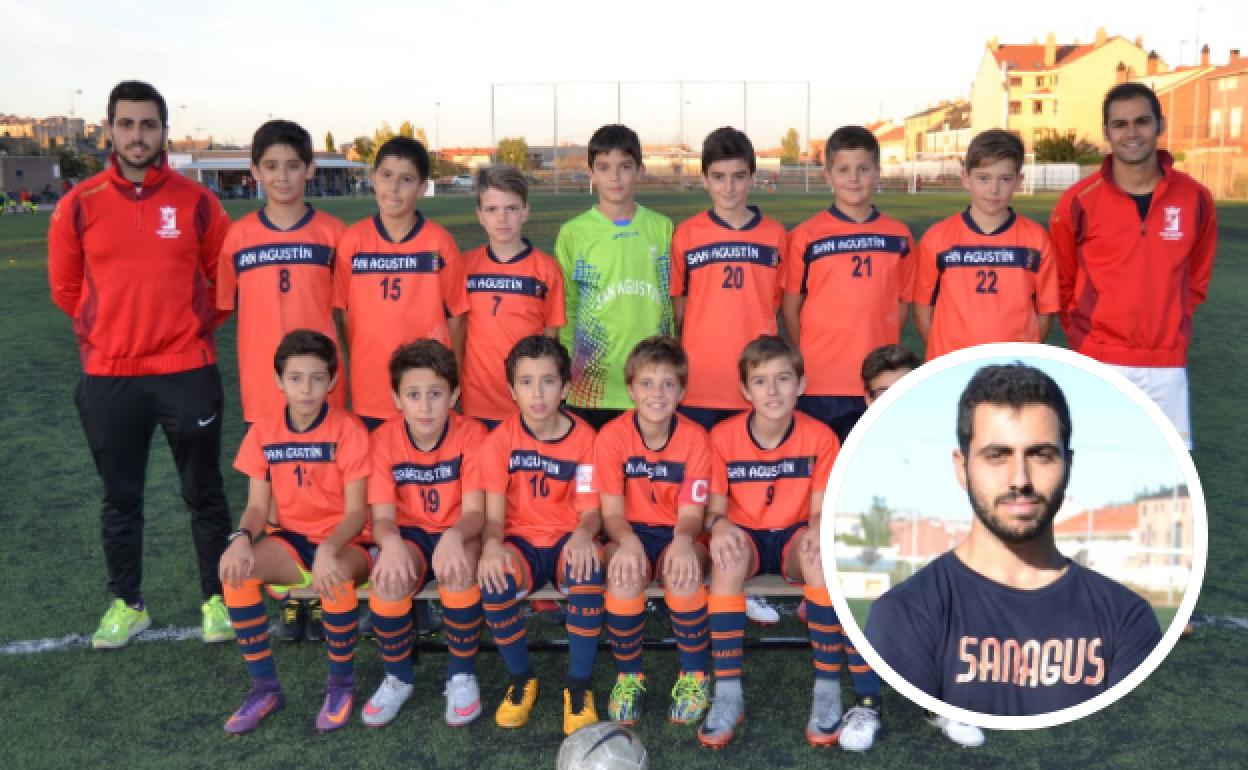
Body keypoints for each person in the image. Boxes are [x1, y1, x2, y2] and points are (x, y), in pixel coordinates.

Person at [47, 80, 235, 649]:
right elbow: (65, 288)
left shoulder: (197, 201)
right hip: (109, 377)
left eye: (147, 125)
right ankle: (128, 604)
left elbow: (221, 282)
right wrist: (105, 335)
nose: (137, 135)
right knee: (120, 498)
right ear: (109, 131)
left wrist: (191, 330)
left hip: (186, 370)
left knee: (205, 493)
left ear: (163, 132)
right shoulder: (78, 205)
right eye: (126, 125)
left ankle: (219, 599)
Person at [865, 363, 1163, 716]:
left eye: (1040, 455)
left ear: (1068, 465)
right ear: (962, 469)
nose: (1019, 479)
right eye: (997, 456)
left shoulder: (1126, 619)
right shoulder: (904, 614)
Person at [698, 335, 882, 752]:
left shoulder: (820, 438)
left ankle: (827, 688)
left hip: (793, 536)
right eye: (760, 381)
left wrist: (818, 531)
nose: (773, 391)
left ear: (801, 385)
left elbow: (819, 513)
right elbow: (716, 509)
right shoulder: (723, 437)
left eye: (784, 379)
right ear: (745, 390)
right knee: (725, 561)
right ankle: (728, 695)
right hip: (745, 537)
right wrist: (719, 524)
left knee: (820, 558)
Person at [218, 330, 372, 733]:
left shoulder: (349, 430)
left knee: (335, 574)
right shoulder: (264, 431)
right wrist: (240, 540)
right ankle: (264, 689)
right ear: (278, 381)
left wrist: (329, 549)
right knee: (236, 571)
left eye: (317, 378)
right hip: (293, 541)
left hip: (348, 541)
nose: (307, 389)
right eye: (296, 378)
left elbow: (357, 513)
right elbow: (255, 507)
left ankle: (340, 686)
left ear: (333, 382)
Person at [1050, 82, 1217, 450]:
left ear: (1160, 125)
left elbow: (1196, 279)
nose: (1131, 133)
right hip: (1100, 358)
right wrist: (1085, 340)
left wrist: (1173, 326)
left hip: (1167, 361)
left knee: (1169, 475)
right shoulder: (1077, 202)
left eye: (1141, 122)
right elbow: (1061, 281)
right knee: (1096, 464)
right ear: (1106, 132)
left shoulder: (1195, 198)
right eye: (1120, 124)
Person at [476, 335, 604, 735]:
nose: (538, 392)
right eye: (527, 382)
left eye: (548, 381)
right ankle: (521, 680)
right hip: (521, 542)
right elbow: (493, 520)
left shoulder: (587, 440)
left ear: (565, 388)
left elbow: (590, 512)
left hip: (569, 539)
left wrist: (585, 534)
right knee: (495, 577)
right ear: (512, 390)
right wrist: (492, 547)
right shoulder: (498, 442)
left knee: (587, 569)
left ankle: (579, 687)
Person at [362, 340, 490, 727]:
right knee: (387, 576)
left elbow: (475, 512)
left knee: (458, 569)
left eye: (435, 394)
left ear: (454, 395)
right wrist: (391, 544)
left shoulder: (472, 435)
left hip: (459, 531)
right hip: (410, 534)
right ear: (397, 399)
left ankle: (461, 674)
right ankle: (398, 677)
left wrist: (454, 536)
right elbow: (382, 517)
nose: (425, 405)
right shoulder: (383, 439)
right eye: (413, 395)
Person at [596, 337, 713, 726]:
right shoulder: (611, 437)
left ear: (681, 390)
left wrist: (682, 542)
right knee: (623, 572)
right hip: (630, 531)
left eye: (667, 384)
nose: (656, 394)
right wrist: (627, 543)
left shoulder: (695, 437)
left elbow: (693, 513)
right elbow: (611, 514)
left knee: (684, 571)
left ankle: (694, 675)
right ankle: (629, 675)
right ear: (631, 389)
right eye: (646, 383)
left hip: (679, 529)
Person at [783, 125, 915, 443]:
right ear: (828, 175)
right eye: (844, 170)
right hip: (820, 383)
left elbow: (902, 305)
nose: (854, 178)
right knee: (823, 478)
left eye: (863, 169)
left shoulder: (899, 236)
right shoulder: (806, 236)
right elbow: (791, 308)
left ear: (877, 173)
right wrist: (813, 355)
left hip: (879, 382)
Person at [333, 136, 467, 430]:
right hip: (371, 389)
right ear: (373, 179)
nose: (393, 188)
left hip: (428, 390)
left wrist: (453, 375)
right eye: (386, 176)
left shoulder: (439, 242)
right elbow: (345, 316)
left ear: (421, 188)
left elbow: (456, 317)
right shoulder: (352, 242)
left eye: (406, 179)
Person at [556, 124, 673, 430]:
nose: (615, 177)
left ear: (640, 171)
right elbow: (564, 306)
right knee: (593, 475)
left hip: (653, 381)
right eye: (604, 167)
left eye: (625, 166)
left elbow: (676, 303)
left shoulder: (662, 229)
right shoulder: (574, 233)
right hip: (592, 385)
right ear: (591, 174)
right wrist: (567, 363)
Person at [670, 127, 787, 432]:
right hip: (700, 382)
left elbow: (775, 303)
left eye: (738, 176)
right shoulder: (687, 235)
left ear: (751, 177)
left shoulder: (775, 236)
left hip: (758, 381)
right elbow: (680, 308)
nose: (729, 187)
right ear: (704, 179)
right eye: (719, 177)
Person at [913, 129, 1059, 361]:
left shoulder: (1036, 239)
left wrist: (1020, 357)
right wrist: (944, 358)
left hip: (1012, 370)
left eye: (1005, 179)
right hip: (953, 367)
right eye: (984, 178)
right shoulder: (938, 239)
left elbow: (1045, 312)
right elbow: (923, 311)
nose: (994, 189)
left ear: (1019, 182)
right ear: (965, 178)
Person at [461, 165, 565, 429]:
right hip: (477, 402)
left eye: (512, 208)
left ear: (526, 212)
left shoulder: (546, 270)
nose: (502, 218)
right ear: (479, 215)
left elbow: (550, 342)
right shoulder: (465, 267)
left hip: (529, 404)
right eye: (492, 210)